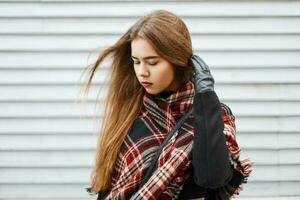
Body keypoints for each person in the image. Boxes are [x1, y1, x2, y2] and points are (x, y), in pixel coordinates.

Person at [82, 9, 252, 200]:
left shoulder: (211, 114)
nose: (142, 72)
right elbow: (109, 190)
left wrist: (205, 96)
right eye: (136, 62)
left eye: (152, 63)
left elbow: (212, 177)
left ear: (177, 61)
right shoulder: (132, 112)